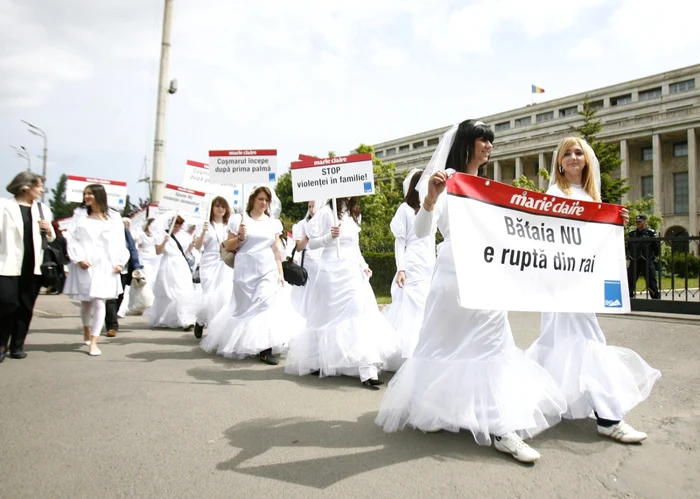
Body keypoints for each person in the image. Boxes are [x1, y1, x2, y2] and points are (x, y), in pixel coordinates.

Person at [375, 120, 567, 463]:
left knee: (493, 344)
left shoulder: (492, 187)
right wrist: (431, 199)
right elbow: (421, 232)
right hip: (452, 276)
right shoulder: (445, 181)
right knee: (443, 343)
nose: (489, 146)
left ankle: (501, 428)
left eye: (491, 141)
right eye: (483, 140)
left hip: (488, 276)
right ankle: (433, 408)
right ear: (467, 143)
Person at [526, 136, 660, 443]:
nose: (573, 157)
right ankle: (609, 418)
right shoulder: (554, 193)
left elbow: (595, 239)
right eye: (567, 154)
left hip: (581, 282)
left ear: (586, 160)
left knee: (558, 339)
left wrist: (616, 222)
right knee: (589, 341)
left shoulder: (591, 195)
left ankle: (540, 399)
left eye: (578, 153)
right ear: (559, 162)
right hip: (562, 281)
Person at [285, 197, 401, 389]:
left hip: (352, 273)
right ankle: (318, 360)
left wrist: (364, 265)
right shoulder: (324, 212)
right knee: (326, 317)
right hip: (330, 272)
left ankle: (367, 368)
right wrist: (329, 237)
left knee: (359, 314)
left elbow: (355, 246)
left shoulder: (356, 213)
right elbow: (311, 244)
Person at [201, 186, 302, 365]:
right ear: (253, 200)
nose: (263, 203)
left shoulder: (273, 223)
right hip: (245, 270)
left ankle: (265, 349)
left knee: (265, 305)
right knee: (245, 309)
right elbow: (227, 246)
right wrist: (239, 237)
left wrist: (280, 273)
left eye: (266, 200)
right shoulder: (239, 219)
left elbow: (276, 250)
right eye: (260, 199)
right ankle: (246, 343)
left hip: (267, 269)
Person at [63, 184, 129, 356]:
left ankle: (94, 341)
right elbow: (72, 238)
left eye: (90, 193)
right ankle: (86, 328)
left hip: (106, 264)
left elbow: (120, 242)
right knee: (86, 302)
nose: (87, 196)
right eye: (85, 193)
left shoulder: (114, 216)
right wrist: (78, 258)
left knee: (100, 302)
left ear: (99, 195)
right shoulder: (79, 214)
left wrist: (120, 262)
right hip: (86, 262)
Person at [382, 169, 436, 364]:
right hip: (413, 261)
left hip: (429, 261)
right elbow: (400, 241)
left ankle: (426, 353)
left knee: (429, 305)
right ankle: (412, 356)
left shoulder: (431, 208)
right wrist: (401, 268)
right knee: (414, 306)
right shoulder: (404, 209)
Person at [0, 171, 55, 362]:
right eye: (38, 186)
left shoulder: (42, 209)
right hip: (7, 264)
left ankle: (17, 346)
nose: (41, 190)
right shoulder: (4, 205)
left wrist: (48, 229)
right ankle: (1, 345)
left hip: (33, 266)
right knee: (7, 304)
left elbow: (51, 238)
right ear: (26, 186)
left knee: (25, 307)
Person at [145, 215, 197, 330]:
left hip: (181, 264)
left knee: (183, 290)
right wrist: (165, 241)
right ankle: (166, 318)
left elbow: (187, 251)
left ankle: (185, 319)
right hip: (168, 264)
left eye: (179, 226)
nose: (177, 228)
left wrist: (192, 243)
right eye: (175, 225)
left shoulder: (185, 236)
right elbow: (158, 251)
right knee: (169, 291)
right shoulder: (162, 235)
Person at [192, 197, 234, 339]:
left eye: (223, 206)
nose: (220, 209)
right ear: (212, 208)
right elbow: (197, 247)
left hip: (225, 262)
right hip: (209, 263)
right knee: (209, 294)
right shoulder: (205, 225)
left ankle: (218, 328)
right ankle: (200, 320)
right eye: (217, 206)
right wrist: (203, 232)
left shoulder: (229, 225)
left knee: (224, 295)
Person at [104, 218, 143, 337]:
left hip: (123, 269)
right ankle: (112, 325)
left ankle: (112, 316)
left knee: (119, 296)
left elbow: (131, 248)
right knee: (110, 297)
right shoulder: (104, 231)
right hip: (106, 268)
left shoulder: (124, 232)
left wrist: (136, 267)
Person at [289, 200, 323, 317]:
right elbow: (298, 248)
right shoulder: (302, 224)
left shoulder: (325, 222)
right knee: (307, 300)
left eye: (314, 206)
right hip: (308, 267)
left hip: (323, 265)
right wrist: (307, 236)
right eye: (309, 207)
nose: (312, 210)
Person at [627, 214, 661, 299]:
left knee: (651, 282)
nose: (638, 223)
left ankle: (656, 299)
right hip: (635, 260)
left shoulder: (650, 233)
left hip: (647, 260)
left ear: (645, 222)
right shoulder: (632, 234)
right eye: (637, 222)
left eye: (640, 222)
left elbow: (656, 247)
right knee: (630, 281)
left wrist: (652, 257)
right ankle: (629, 299)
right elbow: (629, 247)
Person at [136, 218, 162, 293]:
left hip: (154, 257)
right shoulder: (142, 234)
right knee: (147, 275)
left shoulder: (156, 235)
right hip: (144, 257)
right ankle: (145, 292)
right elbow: (138, 245)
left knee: (154, 276)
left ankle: (152, 292)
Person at [45, 220, 69, 294]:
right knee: (60, 273)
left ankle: (54, 286)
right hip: (60, 258)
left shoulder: (50, 237)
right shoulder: (61, 237)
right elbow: (65, 248)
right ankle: (60, 287)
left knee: (54, 272)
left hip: (51, 257)